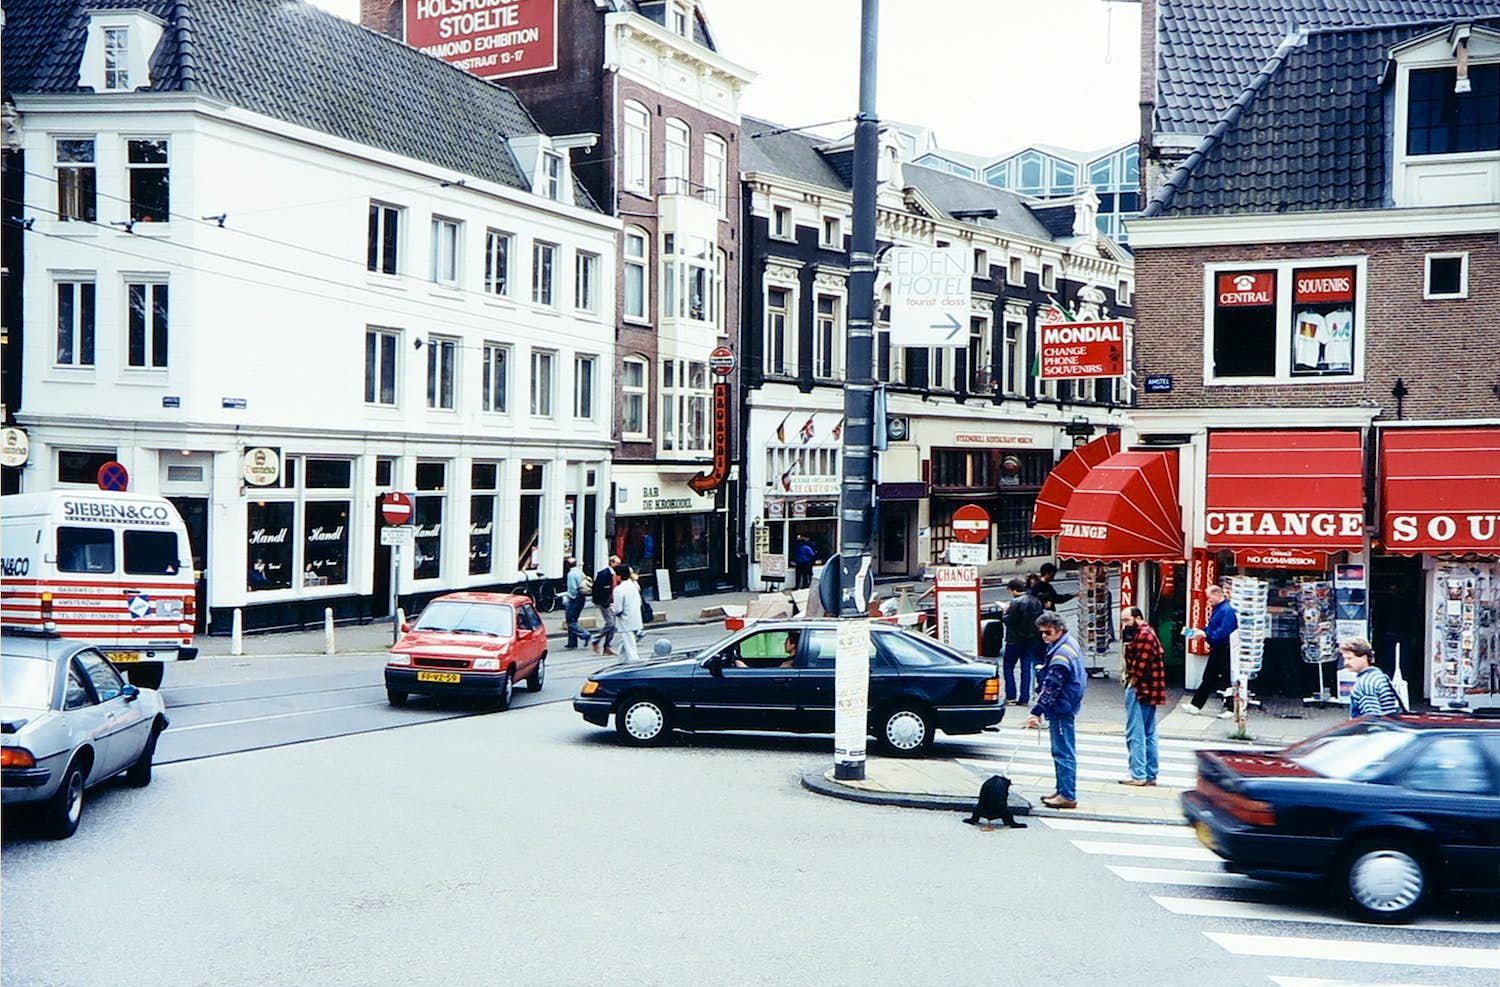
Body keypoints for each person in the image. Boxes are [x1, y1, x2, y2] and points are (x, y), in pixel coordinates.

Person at [1024, 612, 1087, 809]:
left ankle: (1067, 794)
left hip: (1061, 707)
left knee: (1062, 751)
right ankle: (1062, 789)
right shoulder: (1069, 644)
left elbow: (1051, 687)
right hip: (1068, 704)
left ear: (1059, 630)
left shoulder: (1061, 655)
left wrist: (1036, 711)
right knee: (1063, 749)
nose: (1044, 636)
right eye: (1041, 632)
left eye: (1047, 632)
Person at [1119, 606, 1167, 786]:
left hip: (1140, 689)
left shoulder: (1144, 635)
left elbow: (1138, 667)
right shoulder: (1147, 633)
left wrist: (1130, 681)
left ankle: (1138, 774)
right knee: (1148, 732)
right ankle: (1150, 774)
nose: (1124, 625)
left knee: (1135, 732)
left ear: (1138, 618)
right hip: (1149, 689)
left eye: (1126, 620)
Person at [1184, 583, 1237, 718]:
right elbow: (1214, 627)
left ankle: (1229, 708)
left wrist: (1206, 634)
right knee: (1215, 677)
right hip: (1221, 647)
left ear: (1217, 594)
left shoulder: (1226, 610)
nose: (1208, 601)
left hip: (1224, 648)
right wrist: (1202, 631)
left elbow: (1224, 632)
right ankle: (1197, 705)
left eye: (1209, 598)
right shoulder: (1221, 609)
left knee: (1218, 677)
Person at [1002, 578, 1044, 705]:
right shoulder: (1036, 601)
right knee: (1026, 668)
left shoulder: (1016, 602)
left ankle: (1011, 696)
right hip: (1031, 640)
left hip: (1015, 640)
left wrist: (1005, 612)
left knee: (1008, 666)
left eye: (1010, 591)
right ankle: (1024, 698)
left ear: (1014, 590)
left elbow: (1009, 620)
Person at [1341, 636, 1402, 717]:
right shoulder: (1378, 675)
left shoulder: (1365, 684)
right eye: (1344, 659)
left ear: (1364, 658)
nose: (1345, 663)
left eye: (1350, 658)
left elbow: (1372, 718)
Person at [611, 563, 643, 661]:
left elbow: (618, 610)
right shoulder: (634, 586)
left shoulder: (618, 590)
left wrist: (612, 608)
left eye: (615, 575)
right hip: (636, 618)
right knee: (624, 645)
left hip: (626, 622)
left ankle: (634, 664)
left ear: (619, 576)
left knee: (630, 648)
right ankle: (622, 663)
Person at [590, 555, 620, 656]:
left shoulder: (616, 574)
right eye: (617, 563)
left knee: (613, 625)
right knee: (610, 623)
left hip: (613, 602)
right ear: (611, 563)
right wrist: (599, 601)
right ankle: (595, 640)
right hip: (605, 602)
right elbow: (596, 588)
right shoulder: (604, 574)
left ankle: (607, 647)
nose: (618, 565)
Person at [562, 557, 588, 649]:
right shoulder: (580, 572)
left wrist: (570, 598)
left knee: (570, 621)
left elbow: (572, 588)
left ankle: (585, 635)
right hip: (582, 598)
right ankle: (572, 642)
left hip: (574, 599)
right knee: (574, 619)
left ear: (567, 565)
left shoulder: (571, 574)